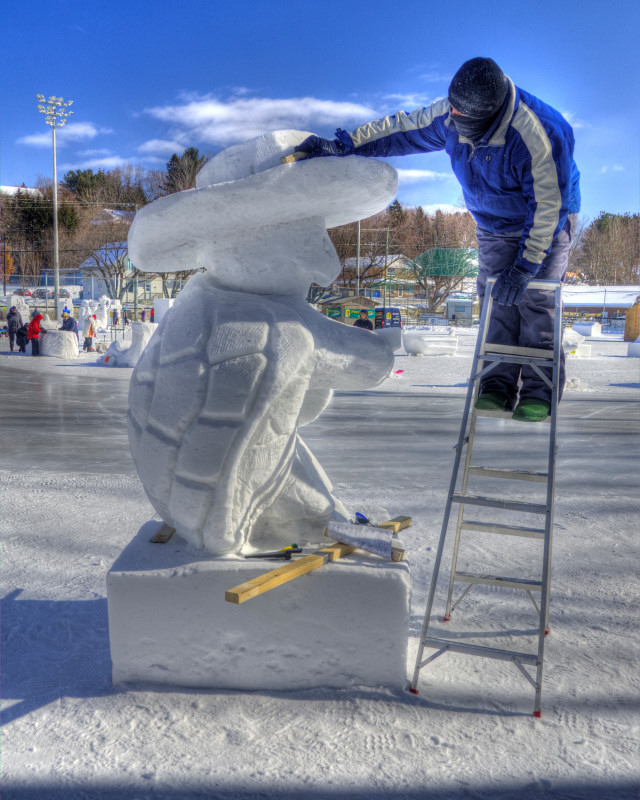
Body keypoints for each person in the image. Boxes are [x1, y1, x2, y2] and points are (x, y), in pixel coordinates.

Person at [295, 57, 580, 422]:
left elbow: (547, 206)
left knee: (536, 302)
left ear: (487, 117)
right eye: (453, 116)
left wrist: (525, 267)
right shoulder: (451, 114)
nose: (454, 126)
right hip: (492, 224)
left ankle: (540, 391)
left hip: (545, 223)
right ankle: (496, 386)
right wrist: (345, 144)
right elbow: (400, 130)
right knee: (496, 302)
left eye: (464, 122)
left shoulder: (539, 133)